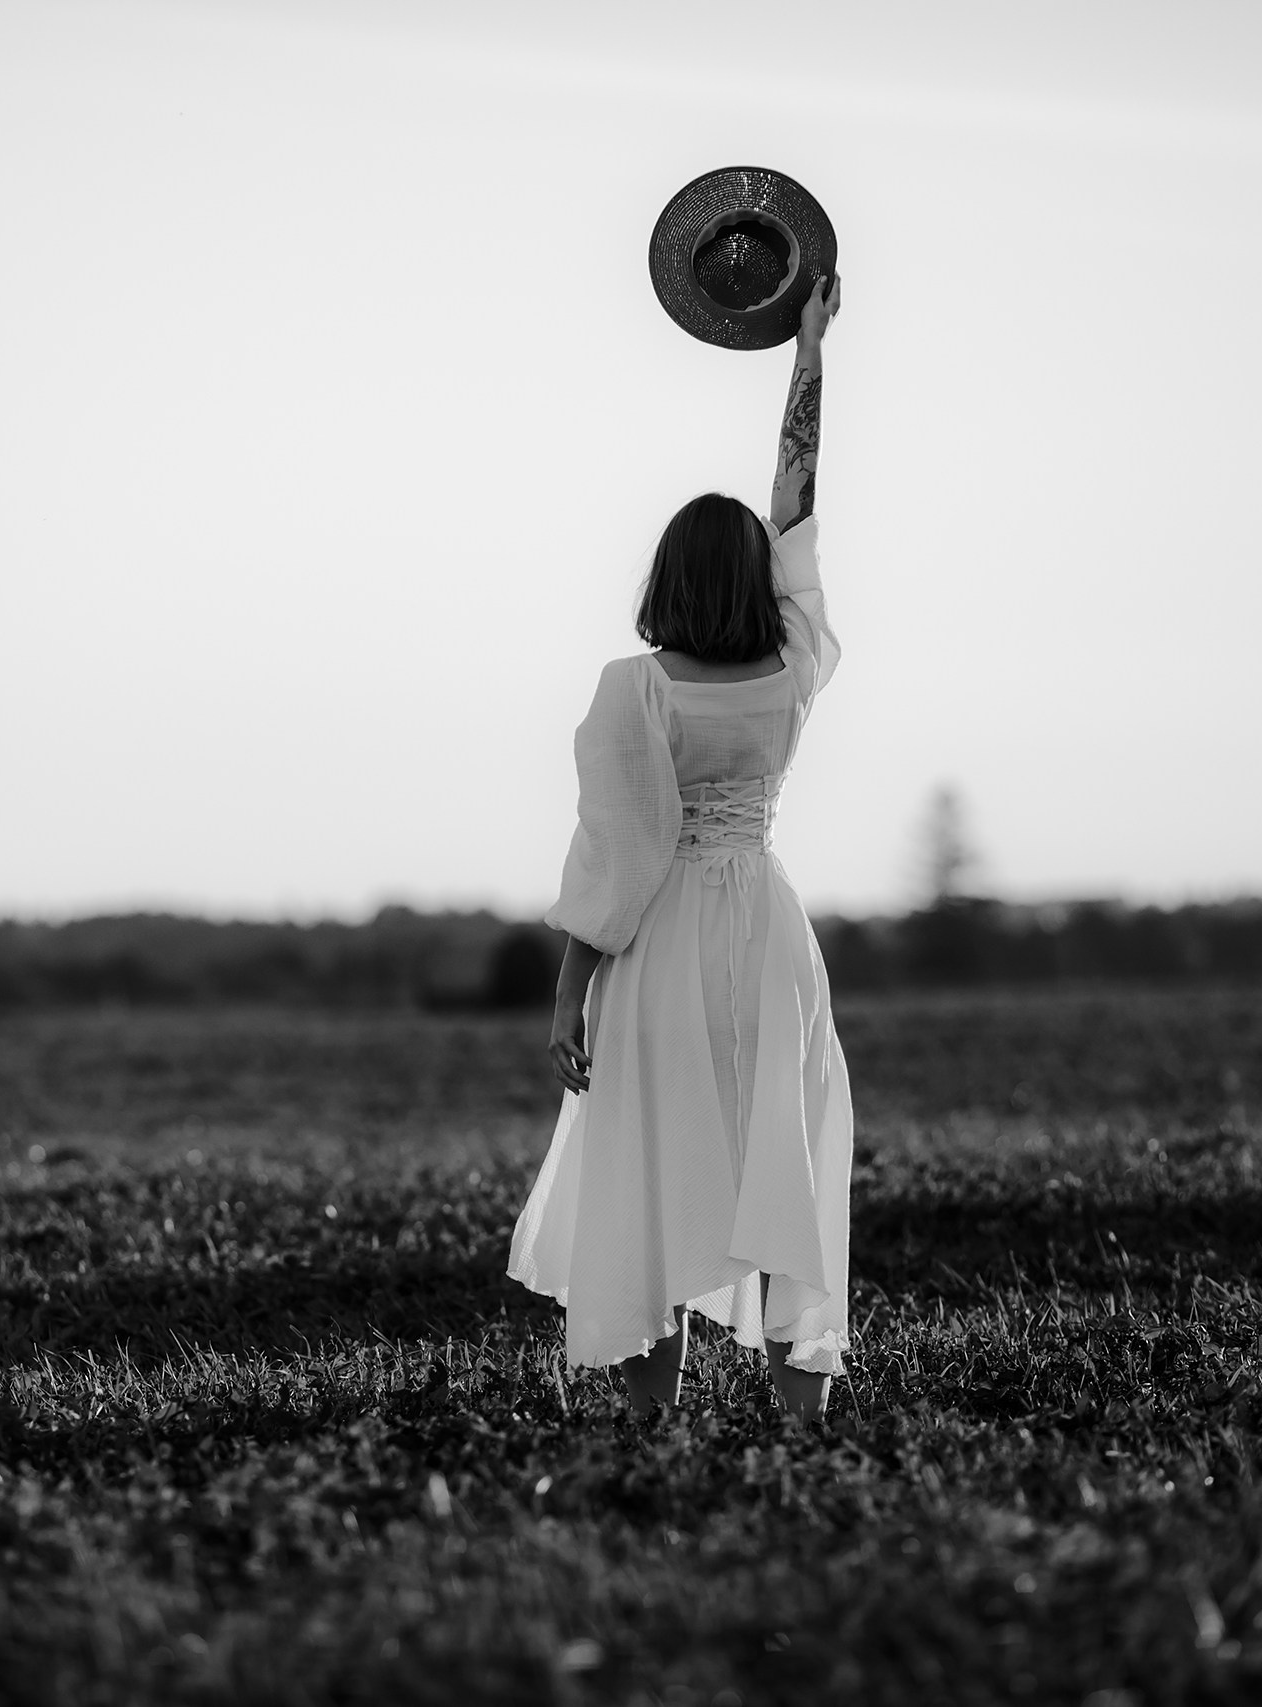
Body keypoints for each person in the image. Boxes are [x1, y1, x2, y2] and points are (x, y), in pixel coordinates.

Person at [507, 273, 852, 1419]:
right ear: (755, 578)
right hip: (767, 938)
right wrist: (809, 352)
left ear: (665, 577)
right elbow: (797, 505)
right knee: (778, 1162)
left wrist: (570, 991)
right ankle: (800, 1430)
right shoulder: (792, 670)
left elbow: (620, 854)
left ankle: (651, 1428)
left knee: (655, 1175)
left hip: (659, 950)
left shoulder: (636, 691)